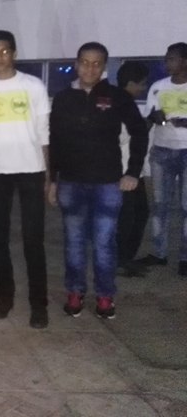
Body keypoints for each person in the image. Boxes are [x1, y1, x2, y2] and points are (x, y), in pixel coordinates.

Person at [49, 42, 148, 319]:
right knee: (74, 242)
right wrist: (53, 180)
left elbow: (139, 132)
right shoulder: (63, 98)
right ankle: (75, 291)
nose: (90, 68)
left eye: (96, 63)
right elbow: (56, 140)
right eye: (85, 62)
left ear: (104, 67)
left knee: (104, 242)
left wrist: (133, 172)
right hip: (71, 183)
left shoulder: (117, 97)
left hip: (107, 184)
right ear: (77, 64)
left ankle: (105, 296)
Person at [0, 30, 50, 328]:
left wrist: (49, 176)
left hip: (32, 170)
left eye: (4, 51)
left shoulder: (33, 85)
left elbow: (44, 132)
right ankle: (5, 297)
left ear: (14, 53)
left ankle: (39, 305)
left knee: (33, 240)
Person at [138, 42, 187, 276]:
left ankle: (185, 258)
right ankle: (159, 253)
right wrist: (152, 118)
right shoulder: (158, 87)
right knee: (159, 205)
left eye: (172, 59)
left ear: (185, 61)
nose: (167, 63)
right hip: (161, 152)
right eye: (166, 58)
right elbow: (147, 121)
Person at [115, 61, 151, 277]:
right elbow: (121, 137)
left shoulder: (126, 102)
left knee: (139, 214)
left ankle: (125, 258)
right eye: (142, 83)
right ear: (130, 83)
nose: (144, 88)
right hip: (124, 172)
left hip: (133, 170)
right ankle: (120, 260)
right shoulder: (120, 104)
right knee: (127, 218)